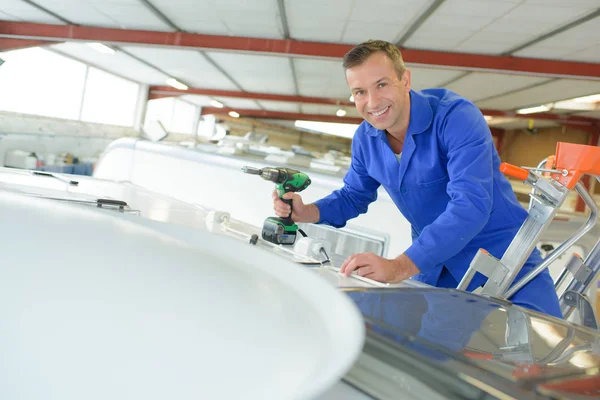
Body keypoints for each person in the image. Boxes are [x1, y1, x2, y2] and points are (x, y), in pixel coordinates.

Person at [272, 40, 562, 318]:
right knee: (434, 360)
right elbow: (353, 195)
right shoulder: (365, 138)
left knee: (541, 357)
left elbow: (470, 205)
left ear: (406, 80)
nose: (372, 102)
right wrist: (308, 212)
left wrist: (399, 267)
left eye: (381, 84)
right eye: (359, 92)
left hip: (504, 261)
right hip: (436, 267)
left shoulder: (456, 118)